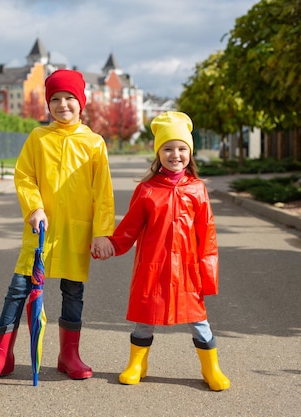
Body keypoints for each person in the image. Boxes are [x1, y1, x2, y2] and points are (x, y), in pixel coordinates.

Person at [0, 69, 116, 385]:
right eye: (56, 99)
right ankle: (0, 357)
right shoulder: (38, 138)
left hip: (77, 229)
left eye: (69, 98)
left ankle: (68, 356)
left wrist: (102, 231)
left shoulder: (94, 143)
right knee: (19, 288)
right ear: (48, 104)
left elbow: (103, 192)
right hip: (40, 231)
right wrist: (34, 207)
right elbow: (24, 176)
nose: (63, 105)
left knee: (73, 290)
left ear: (81, 102)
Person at [94, 111, 230, 391]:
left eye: (182, 148)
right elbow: (130, 228)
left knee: (199, 322)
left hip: (188, 270)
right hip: (152, 266)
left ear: (190, 154)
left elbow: (208, 235)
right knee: (145, 320)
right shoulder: (146, 190)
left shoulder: (197, 190)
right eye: (168, 148)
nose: (175, 154)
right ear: (158, 153)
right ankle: (137, 364)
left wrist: (208, 274)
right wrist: (111, 243)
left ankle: (211, 368)